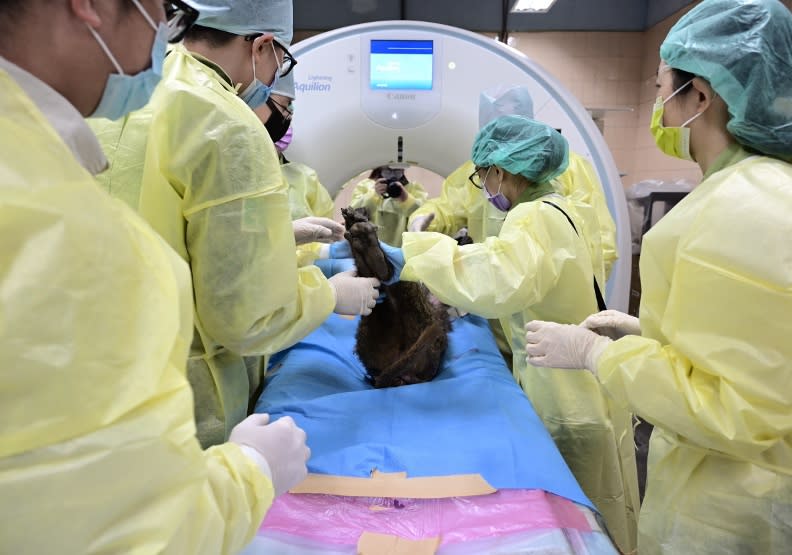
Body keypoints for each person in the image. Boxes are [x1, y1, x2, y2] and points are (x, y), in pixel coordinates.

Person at [0, 1, 310, 552]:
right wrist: (252, 472)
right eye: (161, 10)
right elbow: (131, 528)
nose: (164, 33)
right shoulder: (46, 218)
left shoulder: (38, 151)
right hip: (195, 411)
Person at [524, 1, 792, 552]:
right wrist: (654, 336)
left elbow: (736, 409)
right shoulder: (760, 190)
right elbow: (759, 353)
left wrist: (598, 355)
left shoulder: (738, 206)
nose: (657, 105)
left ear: (700, 95)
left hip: (735, 507)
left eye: (660, 87)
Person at [334, 115, 638, 552]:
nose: (484, 185)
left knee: (581, 514)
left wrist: (410, 259)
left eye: (483, 175)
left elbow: (500, 275)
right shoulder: (561, 206)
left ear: (503, 168)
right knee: (601, 509)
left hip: (567, 394)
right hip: (579, 379)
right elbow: (510, 267)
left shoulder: (534, 216)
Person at [89, 0, 380, 449]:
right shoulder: (223, 120)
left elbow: (157, 225)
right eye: (280, 58)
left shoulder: (126, 88)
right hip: (182, 391)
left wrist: (277, 238)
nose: (274, 72)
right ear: (262, 44)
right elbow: (243, 318)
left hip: (95, 369)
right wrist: (328, 295)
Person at [408, 85, 617, 288]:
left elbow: (600, 243)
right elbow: (448, 206)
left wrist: (575, 291)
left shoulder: (569, 169)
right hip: (495, 295)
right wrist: (422, 218)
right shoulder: (481, 169)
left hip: (550, 299)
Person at [350, 165, 428, 247]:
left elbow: (422, 216)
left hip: (401, 248)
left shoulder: (413, 188)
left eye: (397, 171)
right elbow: (354, 213)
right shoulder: (365, 186)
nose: (393, 175)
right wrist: (374, 195)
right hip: (370, 247)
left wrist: (406, 198)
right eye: (388, 171)